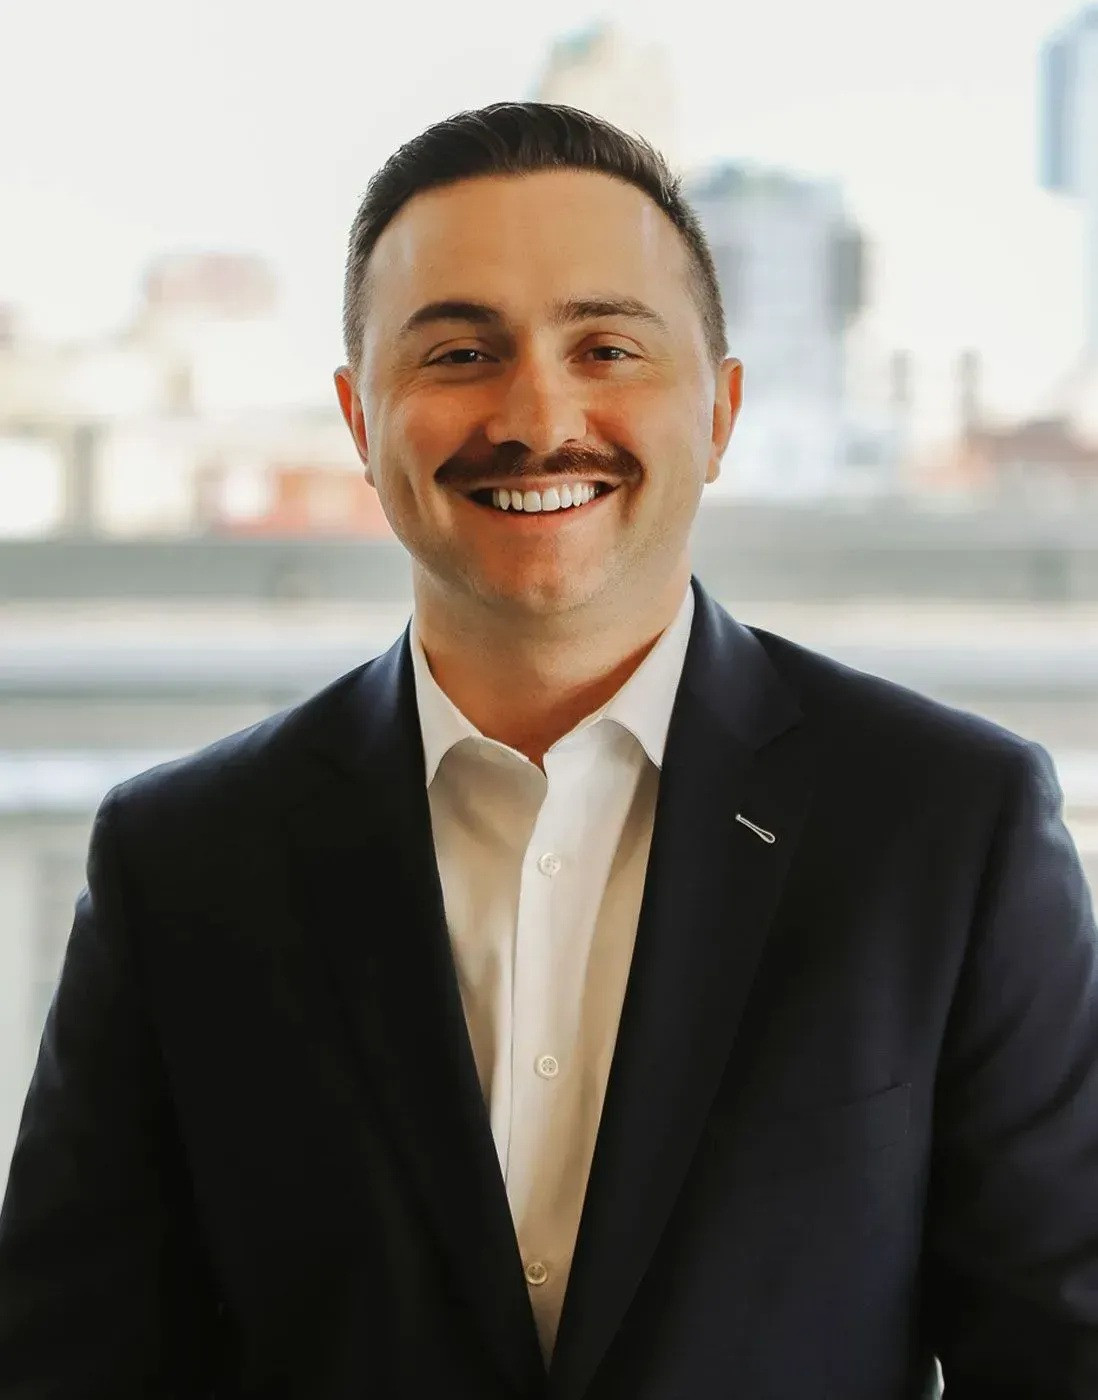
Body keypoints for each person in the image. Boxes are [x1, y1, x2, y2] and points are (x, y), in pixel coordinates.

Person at [0, 100, 1096, 1400]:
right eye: (459, 352)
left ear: (720, 410)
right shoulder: (180, 862)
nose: (534, 414)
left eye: (606, 347)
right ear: (358, 419)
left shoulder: (947, 829)